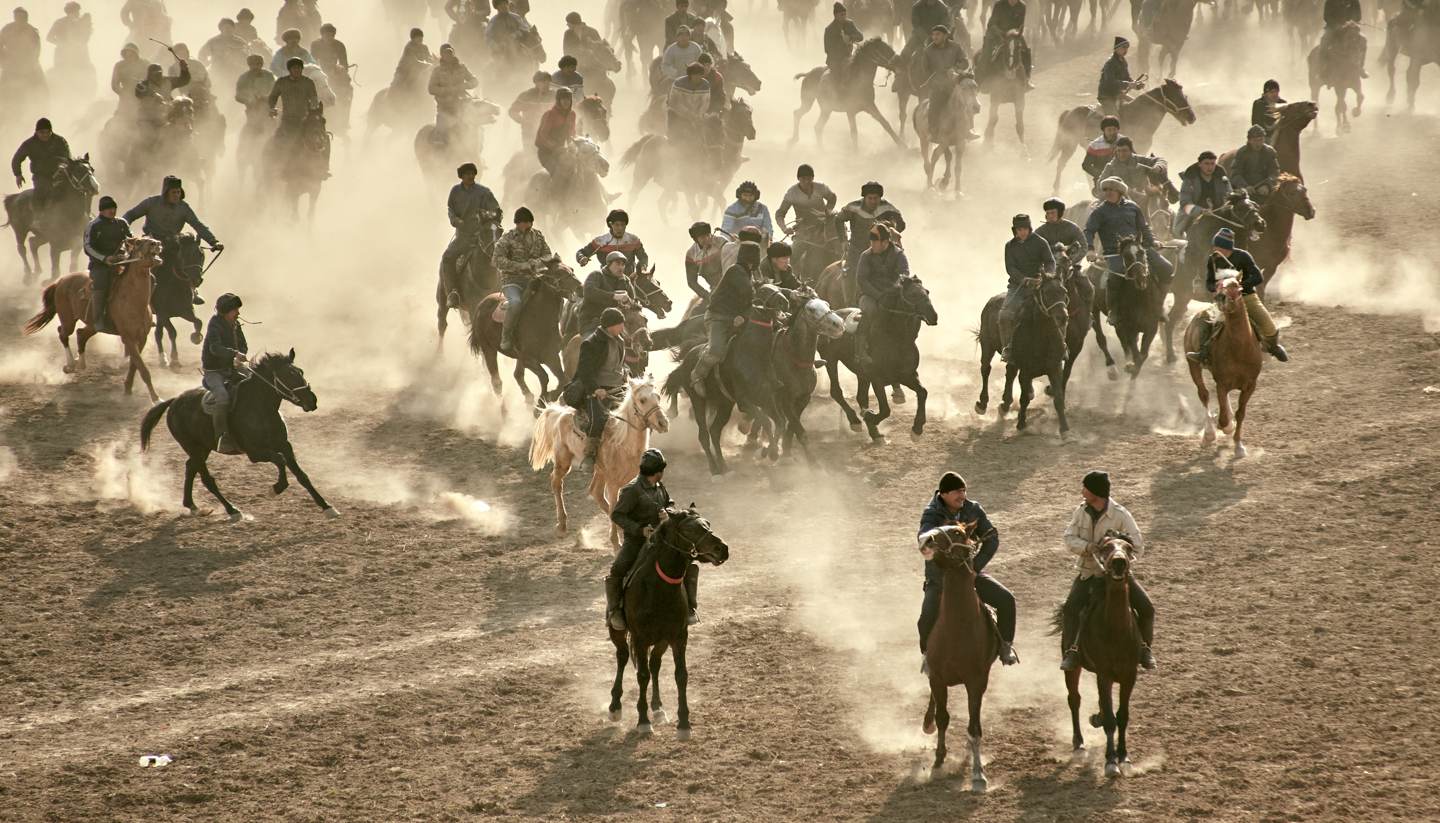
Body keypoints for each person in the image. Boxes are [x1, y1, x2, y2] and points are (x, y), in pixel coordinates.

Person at [917, 471, 1020, 667]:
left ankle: (1005, 645)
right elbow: (924, 539)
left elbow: (991, 537)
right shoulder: (931, 513)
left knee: (1006, 600)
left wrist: (975, 567)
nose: (962, 496)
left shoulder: (973, 509)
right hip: (940, 579)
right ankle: (927, 657)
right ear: (944, 494)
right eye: (957, 491)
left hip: (969, 573)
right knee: (926, 617)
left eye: (963, 491)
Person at [1059, 470, 1155, 671]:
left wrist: (1116, 542)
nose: (1082, 491)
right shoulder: (1081, 511)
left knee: (1147, 608)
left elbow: (1138, 545)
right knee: (1070, 610)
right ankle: (1072, 651)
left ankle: (1145, 649)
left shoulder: (1120, 514)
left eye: (1085, 487)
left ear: (1096, 492)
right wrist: (1089, 547)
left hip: (1117, 577)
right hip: (1089, 573)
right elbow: (1069, 538)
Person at [606, 448, 691, 631]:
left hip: (662, 539)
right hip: (636, 542)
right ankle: (615, 611)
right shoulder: (631, 490)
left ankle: (690, 607)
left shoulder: (659, 486)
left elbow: (669, 502)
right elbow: (618, 515)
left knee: (687, 562)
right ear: (658, 471)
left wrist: (667, 512)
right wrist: (640, 530)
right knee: (617, 569)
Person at [1186, 228, 1288, 363]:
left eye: (1218, 247)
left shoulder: (1243, 256)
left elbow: (1258, 277)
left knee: (1268, 325)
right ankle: (1203, 352)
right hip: (1223, 301)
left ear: (1226, 247)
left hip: (1247, 297)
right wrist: (1215, 288)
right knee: (1206, 322)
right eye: (1215, 246)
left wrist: (1239, 287)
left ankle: (1273, 347)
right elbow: (1209, 282)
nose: (1215, 249)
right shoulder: (1213, 259)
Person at [122, 176, 223, 305]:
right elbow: (130, 215)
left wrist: (213, 242)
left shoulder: (183, 207)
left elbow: (197, 225)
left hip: (173, 243)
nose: (176, 195)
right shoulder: (151, 203)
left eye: (178, 192)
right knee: (146, 265)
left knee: (190, 255)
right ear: (166, 192)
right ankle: (142, 297)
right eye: (173, 192)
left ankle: (192, 290)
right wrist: (124, 231)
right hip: (151, 242)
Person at [691, 240, 760, 395]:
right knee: (716, 351)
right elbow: (749, 293)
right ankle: (697, 375)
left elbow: (750, 297)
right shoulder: (736, 271)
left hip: (736, 317)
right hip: (718, 317)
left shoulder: (749, 273)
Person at [1083, 176, 1174, 291]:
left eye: (1112, 189)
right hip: (1114, 253)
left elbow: (1144, 227)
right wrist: (1090, 249)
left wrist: (1152, 241)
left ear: (1120, 192)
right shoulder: (1099, 212)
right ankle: (1114, 307)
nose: (1108, 192)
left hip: (1139, 249)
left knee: (1166, 268)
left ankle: (1161, 299)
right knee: (1115, 280)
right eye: (1106, 190)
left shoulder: (1133, 207)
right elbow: (1089, 231)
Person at [566, 306, 629, 468]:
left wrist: (625, 373)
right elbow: (585, 371)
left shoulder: (619, 340)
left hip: (618, 387)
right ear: (610, 325)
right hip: (598, 389)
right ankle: (590, 455)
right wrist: (596, 389)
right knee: (598, 418)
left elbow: (620, 364)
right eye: (620, 324)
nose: (623, 327)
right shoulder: (592, 343)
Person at [492, 206, 553, 356]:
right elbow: (497, 259)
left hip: (535, 278)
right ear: (517, 223)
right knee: (516, 303)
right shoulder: (507, 238)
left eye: (528, 222)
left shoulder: (538, 236)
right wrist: (519, 266)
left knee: (554, 296)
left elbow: (548, 255)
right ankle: (506, 336)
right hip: (512, 281)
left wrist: (534, 263)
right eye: (523, 222)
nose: (526, 225)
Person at [440, 162, 501, 308]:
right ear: (461, 176)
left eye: (472, 173)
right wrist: (455, 220)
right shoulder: (455, 191)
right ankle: (453, 293)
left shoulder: (484, 192)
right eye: (467, 174)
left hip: (484, 233)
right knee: (447, 258)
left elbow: (497, 212)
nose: (470, 176)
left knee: (502, 254)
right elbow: (451, 209)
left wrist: (486, 215)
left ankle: (506, 288)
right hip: (464, 235)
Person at [998, 213, 1056, 362]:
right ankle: (1008, 348)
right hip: (1017, 286)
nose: (1022, 232)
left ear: (1030, 228)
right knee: (1005, 316)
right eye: (1019, 229)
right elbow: (1010, 268)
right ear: (1015, 230)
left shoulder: (1041, 243)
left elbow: (1050, 262)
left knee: (1058, 310)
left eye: (1025, 228)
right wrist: (1023, 279)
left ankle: (1061, 345)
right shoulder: (1009, 246)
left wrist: (1047, 276)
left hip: (1039, 284)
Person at [854, 223, 910, 366]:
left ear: (885, 242)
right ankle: (860, 351)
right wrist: (879, 296)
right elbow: (862, 281)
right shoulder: (865, 256)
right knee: (870, 311)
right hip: (870, 296)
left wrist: (893, 291)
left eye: (875, 241)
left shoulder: (898, 255)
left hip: (893, 294)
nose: (871, 244)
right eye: (871, 241)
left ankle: (907, 345)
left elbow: (904, 274)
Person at [202, 292, 249, 455]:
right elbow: (214, 348)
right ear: (225, 311)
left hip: (232, 367)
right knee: (222, 396)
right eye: (235, 310)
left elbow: (243, 345)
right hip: (214, 372)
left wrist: (240, 355)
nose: (238, 313)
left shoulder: (236, 324)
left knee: (257, 381)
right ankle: (222, 437)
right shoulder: (214, 324)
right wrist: (234, 354)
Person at [82, 195, 131, 334]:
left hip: (121, 262)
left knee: (145, 278)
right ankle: (97, 320)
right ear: (101, 210)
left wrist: (126, 253)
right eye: (108, 208)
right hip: (100, 266)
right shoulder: (93, 225)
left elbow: (130, 241)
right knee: (101, 284)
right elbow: (88, 247)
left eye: (114, 208)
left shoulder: (122, 223)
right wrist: (105, 259)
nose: (112, 211)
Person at [911, 25, 970, 134]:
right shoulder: (928, 51)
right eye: (933, 34)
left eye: (938, 34)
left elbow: (965, 62)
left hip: (956, 83)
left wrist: (955, 68)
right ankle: (933, 130)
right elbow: (926, 70)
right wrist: (936, 80)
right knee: (934, 105)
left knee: (968, 102)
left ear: (945, 35)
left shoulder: (956, 47)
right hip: (938, 85)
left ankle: (968, 129)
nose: (935, 37)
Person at [841, 181, 906, 278]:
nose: (872, 201)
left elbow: (901, 224)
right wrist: (843, 240)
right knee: (850, 274)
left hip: (882, 250)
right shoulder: (853, 207)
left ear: (880, 198)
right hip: (857, 249)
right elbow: (838, 220)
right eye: (869, 198)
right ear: (864, 197)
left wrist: (890, 232)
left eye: (875, 198)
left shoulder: (887, 207)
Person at [11, 118, 71, 208]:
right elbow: (16, 159)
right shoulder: (29, 144)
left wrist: (63, 165)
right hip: (41, 176)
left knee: (74, 189)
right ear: (37, 132)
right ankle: (38, 218)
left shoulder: (60, 141)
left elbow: (68, 157)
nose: (45, 135)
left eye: (48, 132)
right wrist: (18, 174)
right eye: (42, 132)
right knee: (41, 193)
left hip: (60, 174)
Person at [1094, 135, 1166, 207]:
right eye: (1119, 151)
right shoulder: (1110, 167)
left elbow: (1160, 160)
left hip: (1144, 199)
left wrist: (1159, 167)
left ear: (1131, 150)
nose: (1121, 154)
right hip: (1120, 202)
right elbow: (1100, 185)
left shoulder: (1139, 160)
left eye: (1124, 150)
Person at [1173, 150, 1232, 236]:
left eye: (1212, 164)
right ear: (1200, 164)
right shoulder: (1190, 177)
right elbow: (1184, 203)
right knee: (1192, 242)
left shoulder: (1221, 176)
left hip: (1219, 215)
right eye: (1206, 163)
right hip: (1194, 217)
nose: (1210, 167)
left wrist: (1227, 204)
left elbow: (1229, 193)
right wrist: (1201, 211)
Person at [429, 44, 478, 143]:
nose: (449, 56)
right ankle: (439, 145)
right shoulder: (437, 71)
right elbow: (431, 88)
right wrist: (446, 90)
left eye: (450, 53)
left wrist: (463, 86)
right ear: (442, 56)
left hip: (462, 103)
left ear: (453, 54)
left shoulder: (462, 68)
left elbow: (474, 81)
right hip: (445, 105)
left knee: (475, 123)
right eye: (446, 54)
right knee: (442, 129)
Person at [578, 251, 637, 332]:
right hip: (593, 321)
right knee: (593, 341)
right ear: (609, 264)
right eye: (617, 264)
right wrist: (614, 296)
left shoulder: (626, 280)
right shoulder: (597, 275)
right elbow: (589, 292)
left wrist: (629, 302)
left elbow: (633, 300)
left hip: (618, 324)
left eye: (623, 264)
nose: (621, 267)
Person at [576, 209, 648, 273]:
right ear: (611, 224)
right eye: (617, 225)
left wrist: (643, 266)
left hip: (629, 280)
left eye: (622, 225)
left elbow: (643, 257)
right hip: (606, 282)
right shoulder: (600, 241)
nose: (620, 228)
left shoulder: (633, 240)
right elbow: (581, 252)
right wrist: (581, 258)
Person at [46, 3, 94, 96]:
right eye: (76, 11)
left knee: (87, 72)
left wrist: (87, 26)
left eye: (77, 11)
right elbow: (49, 37)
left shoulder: (81, 22)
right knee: (62, 75)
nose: (77, 13)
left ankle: (86, 93)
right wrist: (62, 44)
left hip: (80, 54)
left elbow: (86, 38)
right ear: (69, 12)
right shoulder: (59, 22)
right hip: (63, 55)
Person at [1, 7, 46, 102]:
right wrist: (3, 60)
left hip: (28, 64)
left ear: (26, 17)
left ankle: (41, 105)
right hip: (11, 64)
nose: (19, 19)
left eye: (22, 17)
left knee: (41, 87)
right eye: (17, 16)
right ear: (15, 17)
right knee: (3, 87)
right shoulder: (7, 29)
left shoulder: (32, 31)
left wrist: (32, 63)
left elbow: (37, 50)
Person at [984, 0, 1033, 87]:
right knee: (987, 53)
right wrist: (1001, 33)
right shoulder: (999, 5)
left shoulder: (1022, 6)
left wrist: (1016, 32)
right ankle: (983, 78)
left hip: (1014, 34)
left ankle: (1027, 77)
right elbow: (992, 24)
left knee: (1026, 50)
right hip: (998, 33)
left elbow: (1020, 24)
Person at [1230, 125, 1281, 202]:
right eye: (1255, 140)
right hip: (1245, 191)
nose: (1258, 143)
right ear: (1249, 140)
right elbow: (1235, 174)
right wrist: (1245, 186)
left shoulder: (1270, 152)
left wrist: (1267, 185)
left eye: (1260, 140)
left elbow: (1275, 172)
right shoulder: (1241, 153)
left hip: (1265, 190)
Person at [666, 63, 710, 148]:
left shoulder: (705, 85)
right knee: (674, 137)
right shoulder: (678, 83)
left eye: (700, 75)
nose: (698, 78)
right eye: (695, 75)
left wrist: (699, 115)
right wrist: (688, 114)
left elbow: (705, 103)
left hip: (697, 116)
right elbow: (674, 102)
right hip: (677, 115)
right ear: (690, 75)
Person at [310, 24, 352, 114]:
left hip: (336, 71)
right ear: (322, 35)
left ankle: (345, 115)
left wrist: (340, 71)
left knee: (349, 89)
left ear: (334, 35)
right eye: (326, 35)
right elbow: (313, 61)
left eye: (331, 35)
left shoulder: (340, 45)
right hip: (320, 71)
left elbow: (344, 63)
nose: (329, 38)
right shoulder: (315, 45)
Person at [134, 61, 190, 129]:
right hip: (148, 116)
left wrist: (184, 70)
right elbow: (139, 91)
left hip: (166, 114)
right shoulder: (143, 84)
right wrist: (153, 94)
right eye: (154, 74)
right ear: (149, 75)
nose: (157, 76)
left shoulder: (168, 81)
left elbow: (184, 80)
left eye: (159, 73)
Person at [534, 87, 577, 177]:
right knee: (559, 173)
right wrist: (555, 147)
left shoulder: (572, 115)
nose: (566, 102)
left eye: (568, 99)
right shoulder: (550, 114)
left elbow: (572, 134)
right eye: (563, 99)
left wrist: (574, 146)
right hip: (546, 153)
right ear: (558, 100)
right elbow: (543, 135)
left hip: (561, 152)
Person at [1036, 198, 1088, 268]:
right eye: (1048, 213)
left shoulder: (1072, 228)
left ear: (1060, 213)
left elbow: (1083, 247)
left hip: (1069, 267)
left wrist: (1071, 261)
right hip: (1048, 267)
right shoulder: (1041, 231)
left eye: (1053, 213)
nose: (1050, 216)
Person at [684, 220, 727, 305]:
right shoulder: (691, 254)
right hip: (715, 290)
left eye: (708, 235)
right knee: (695, 313)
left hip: (734, 283)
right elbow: (691, 282)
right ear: (696, 239)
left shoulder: (722, 242)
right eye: (703, 237)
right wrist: (708, 296)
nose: (707, 239)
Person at [200, 19, 250, 87]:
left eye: (230, 27)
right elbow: (202, 54)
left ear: (234, 28)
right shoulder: (213, 41)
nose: (228, 29)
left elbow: (248, 56)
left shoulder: (240, 42)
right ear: (220, 29)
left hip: (235, 72)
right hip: (218, 72)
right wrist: (208, 65)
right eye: (226, 27)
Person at [824, 2, 864, 85]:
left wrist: (850, 38)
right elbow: (827, 49)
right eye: (842, 15)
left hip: (849, 57)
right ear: (836, 15)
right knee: (838, 81)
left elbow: (860, 36)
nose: (844, 17)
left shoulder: (849, 23)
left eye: (845, 14)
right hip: (835, 60)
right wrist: (843, 44)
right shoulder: (829, 29)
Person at [509, 71, 553, 144]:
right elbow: (512, 111)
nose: (546, 85)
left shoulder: (554, 96)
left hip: (549, 132)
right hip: (529, 132)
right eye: (543, 82)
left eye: (548, 82)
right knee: (530, 153)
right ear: (536, 83)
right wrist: (523, 121)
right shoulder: (526, 96)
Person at [234, 53, 276, 133]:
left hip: (268, 107)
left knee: (274, 127)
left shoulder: (269, 75)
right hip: (252, 109)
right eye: (252, 64)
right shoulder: (243, 78)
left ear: (261, 64)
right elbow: (238, 95)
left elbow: (275, 91)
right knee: (251, 129)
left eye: (258, 64)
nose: (255, 66)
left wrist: (265, 97)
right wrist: (248, 100)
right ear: (249, 65)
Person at [1096, 36, 1137, 115]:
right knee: (1114, 118)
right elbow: (1110, 82)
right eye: (1124, 47)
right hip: (1107, 96)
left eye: (1127, 48)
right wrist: (1128, 84)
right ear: (1116, 49)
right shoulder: (1110, 63)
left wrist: (1136, 84)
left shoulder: (1123, 62)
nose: (1126, 50)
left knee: (1137, 106)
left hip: (1119, 94)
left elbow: (1127, 78)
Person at [392, 28, 435, 94]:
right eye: (418, 38)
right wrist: (428, 65)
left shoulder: (424, 47)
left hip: (417, 70)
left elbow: (428, 58)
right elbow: (414, 62)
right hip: (403, 71)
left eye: (421, 37)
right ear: (413, 39)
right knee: (396, 85)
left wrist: (434, 61)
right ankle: (390, 97)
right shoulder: (409, 47)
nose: (421, 40)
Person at [110, 43, 149, 116]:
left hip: (143, 94)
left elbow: (151, 79)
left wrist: (146, 91)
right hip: (126, 95)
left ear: (136, 54)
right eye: (126, 53)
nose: (129, 55)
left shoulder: (145, 63)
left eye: (131, 53)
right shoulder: (119, 66)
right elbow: (114, 84)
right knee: (121, 118)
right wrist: (123, 94)